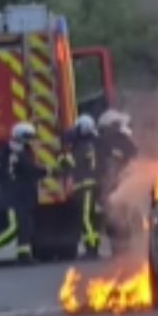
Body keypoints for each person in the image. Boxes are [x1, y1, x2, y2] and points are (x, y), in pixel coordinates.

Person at [0, 121, 47, 264]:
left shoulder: (16, 150)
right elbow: (29, 169)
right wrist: (49, 171)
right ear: (20, 136)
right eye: (28, 136)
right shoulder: (16, 152)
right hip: (13, 196)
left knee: (25, 225)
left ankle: (24, 255)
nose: (31, 140)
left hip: (21, 196)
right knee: (14, 227)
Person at [59, 114, 102, 258]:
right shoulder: (93, 143)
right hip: (90, 186)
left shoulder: (82, 146)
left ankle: (92, 249)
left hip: (85, 186)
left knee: (85, 217)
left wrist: (63, 161)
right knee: (90, 217)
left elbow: (71, 164)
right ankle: (92, 246)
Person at [96, 109, 139, 251]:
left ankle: (121, 245)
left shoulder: (108, 140)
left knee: (118, 214)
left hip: (117, 184)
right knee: (116, 215)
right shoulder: (118, 140)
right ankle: (120, 245)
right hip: (114, 184)